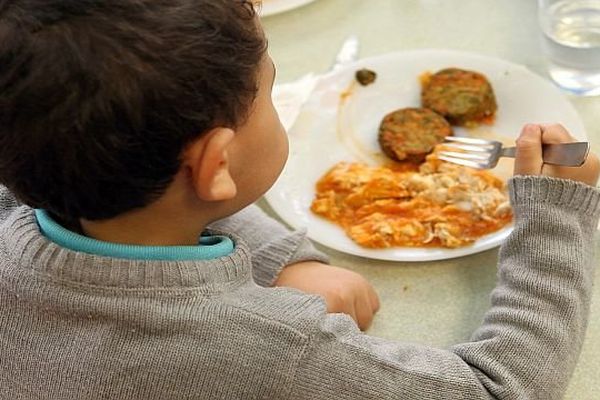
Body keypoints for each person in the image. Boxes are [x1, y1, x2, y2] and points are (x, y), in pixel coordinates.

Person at [0, 1, 598, 399]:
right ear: (218, 163)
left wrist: (284, 257)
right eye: (269, 88)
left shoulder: (32, 159)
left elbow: (165, 195)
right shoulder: (272, 351)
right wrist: (556, 220)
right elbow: (498, 390)